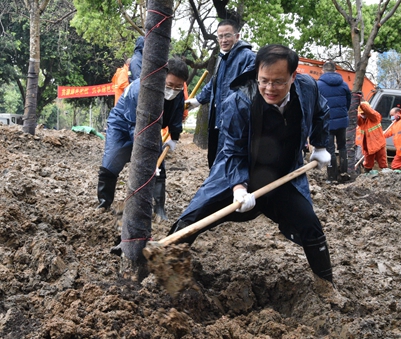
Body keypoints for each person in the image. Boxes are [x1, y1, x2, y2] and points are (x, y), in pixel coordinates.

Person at [169, 44, 335, 290]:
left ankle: (326, 286)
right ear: (256, 74)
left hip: (282, 176)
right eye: (264, 80)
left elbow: (321, 111)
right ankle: (167, 270)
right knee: (193, 219)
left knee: (310, 226)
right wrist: (238, 187)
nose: (269, 88)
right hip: (238, 174)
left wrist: (320, 146)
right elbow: (232, 150)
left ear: (293, 76)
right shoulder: (240, 100)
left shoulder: (308, 88)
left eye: (278, 82)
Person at [97, 57, 189, 220]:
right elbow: (137, 128)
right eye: (169, 85)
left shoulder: (179, 93)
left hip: (152, 128)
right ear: (161, 77)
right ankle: (104, 203)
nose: (173, 90)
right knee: (111, 162)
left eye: (178, 87)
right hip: (123, 124)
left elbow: (176, 115)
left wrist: (174, 137)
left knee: (158, 168)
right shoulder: (141, 90)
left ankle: (159, 208)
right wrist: (147, 157)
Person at [184, 19, 255, 168]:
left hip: (233, 120)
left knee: (229, 161)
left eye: (227, 36)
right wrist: (198, 100)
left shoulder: (248, 57)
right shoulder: (222, 58)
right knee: (215, 159)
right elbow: (215, 84)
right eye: (220, 36)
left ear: (237, 36)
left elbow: (247, 92)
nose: (223, 40)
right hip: (217, 119)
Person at [317, 61, 351, 183]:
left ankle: (331, 177)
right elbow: (348, 102)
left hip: (327, 122)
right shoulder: (344, 85)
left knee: (330, 149)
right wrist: (342, 113)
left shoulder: (319, 85)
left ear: (323, 70)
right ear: (335, 71)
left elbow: (316, 104)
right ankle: (344, 173)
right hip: (342, 121)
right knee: (342, 146)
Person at [357, 100, 388, 172]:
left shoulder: (375, 116)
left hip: (379, 144)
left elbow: (369, 111)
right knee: (368, 163)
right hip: (368, 146)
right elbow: (354, 116)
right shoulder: (361, 120)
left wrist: (360, 103)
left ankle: (385, 173)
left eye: (364, 113)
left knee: (382, 161)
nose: (363, 114)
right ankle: (367, 173)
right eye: (362, 113)